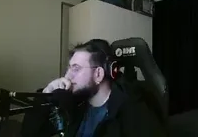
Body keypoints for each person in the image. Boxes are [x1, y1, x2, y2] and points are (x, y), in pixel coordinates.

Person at [35, 39, 168, 137]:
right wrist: (46, 95)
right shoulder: (75, 103)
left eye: (76, 69)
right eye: (69, 68)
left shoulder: (132, 110)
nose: (67, 76)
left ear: (98, 74)